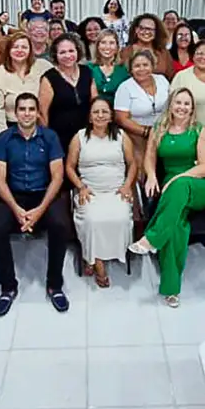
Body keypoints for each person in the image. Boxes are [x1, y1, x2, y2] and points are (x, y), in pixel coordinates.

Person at [128, 88, 205, 307]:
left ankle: (152, 238)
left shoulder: (200, 131)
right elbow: (149, 157)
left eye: (187, 104)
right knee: (176, 227)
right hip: (172, 189)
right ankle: (171, 289)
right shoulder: (159, 129)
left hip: (199, 184)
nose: (182, 107)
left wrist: (177, 179)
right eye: (178, 102)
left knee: (180, 186)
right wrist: (151, 175)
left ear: (192, 108)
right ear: (171, 105)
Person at [0, 94, 72, 316]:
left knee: (60, 225)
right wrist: (16, 209)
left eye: (31, 109)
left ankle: (55, 285)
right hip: (13, 195)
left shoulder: (50, 137)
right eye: (22, 109)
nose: (27, 113)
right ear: (15, 113)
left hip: (44, 194)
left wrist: (39, 211)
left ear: (37, 113)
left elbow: (57, 177)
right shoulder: (4, 139)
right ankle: (8, 287)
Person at [67, 97, 137, 288]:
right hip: (90, 192)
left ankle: (96, 257)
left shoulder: (121, 136)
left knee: (121, 219)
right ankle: (97, 263)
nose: (100, 115)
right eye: (96, 112)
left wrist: (127, 185)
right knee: (92, 221)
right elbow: (69, 167)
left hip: (116, 191)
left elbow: (132, 164)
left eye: (104, 111)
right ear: (90, 117)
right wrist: (81, 186)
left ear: (111, 116)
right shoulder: (79, 137)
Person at [0, 31, 51, 136]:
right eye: (15, 47)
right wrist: (4, 138)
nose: (19, 50)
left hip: (42, 127)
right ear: (8, 50)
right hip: (11, 129)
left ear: (30, 50)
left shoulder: (44, 67)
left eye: (24, 47)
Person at [40, 33, 95, 148]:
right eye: (62, 52)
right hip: (58, 138)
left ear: (77, 51)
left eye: (71, 51)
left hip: (86, 135)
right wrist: (47, 140)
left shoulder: (87, 72)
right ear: (55, 55)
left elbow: (95, 102)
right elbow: (43, 113)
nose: (68, 55)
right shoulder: (49, 78)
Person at [113, 50, 170, 155]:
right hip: (137, 137)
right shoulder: (125, 87)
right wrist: (147, 132)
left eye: (145, 65)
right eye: (137, 66)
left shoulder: (162, 80)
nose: (142, 69)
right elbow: (121, 119)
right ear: (131, 69)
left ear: (152, 66)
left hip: (165, 133)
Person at [125, 13, 173, 79]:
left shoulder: (164, 53)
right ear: (136, 30)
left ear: (156, 32)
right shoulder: (125, 52)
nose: (147, 32)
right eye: (142, 28)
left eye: (150, 29)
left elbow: (171, 77)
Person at [86, 30, 129, 102]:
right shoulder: (88, 68)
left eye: (111, 43)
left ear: (117, 47)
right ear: (98, 46)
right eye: (103, 42)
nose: (107, 47)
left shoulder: (123, 70)